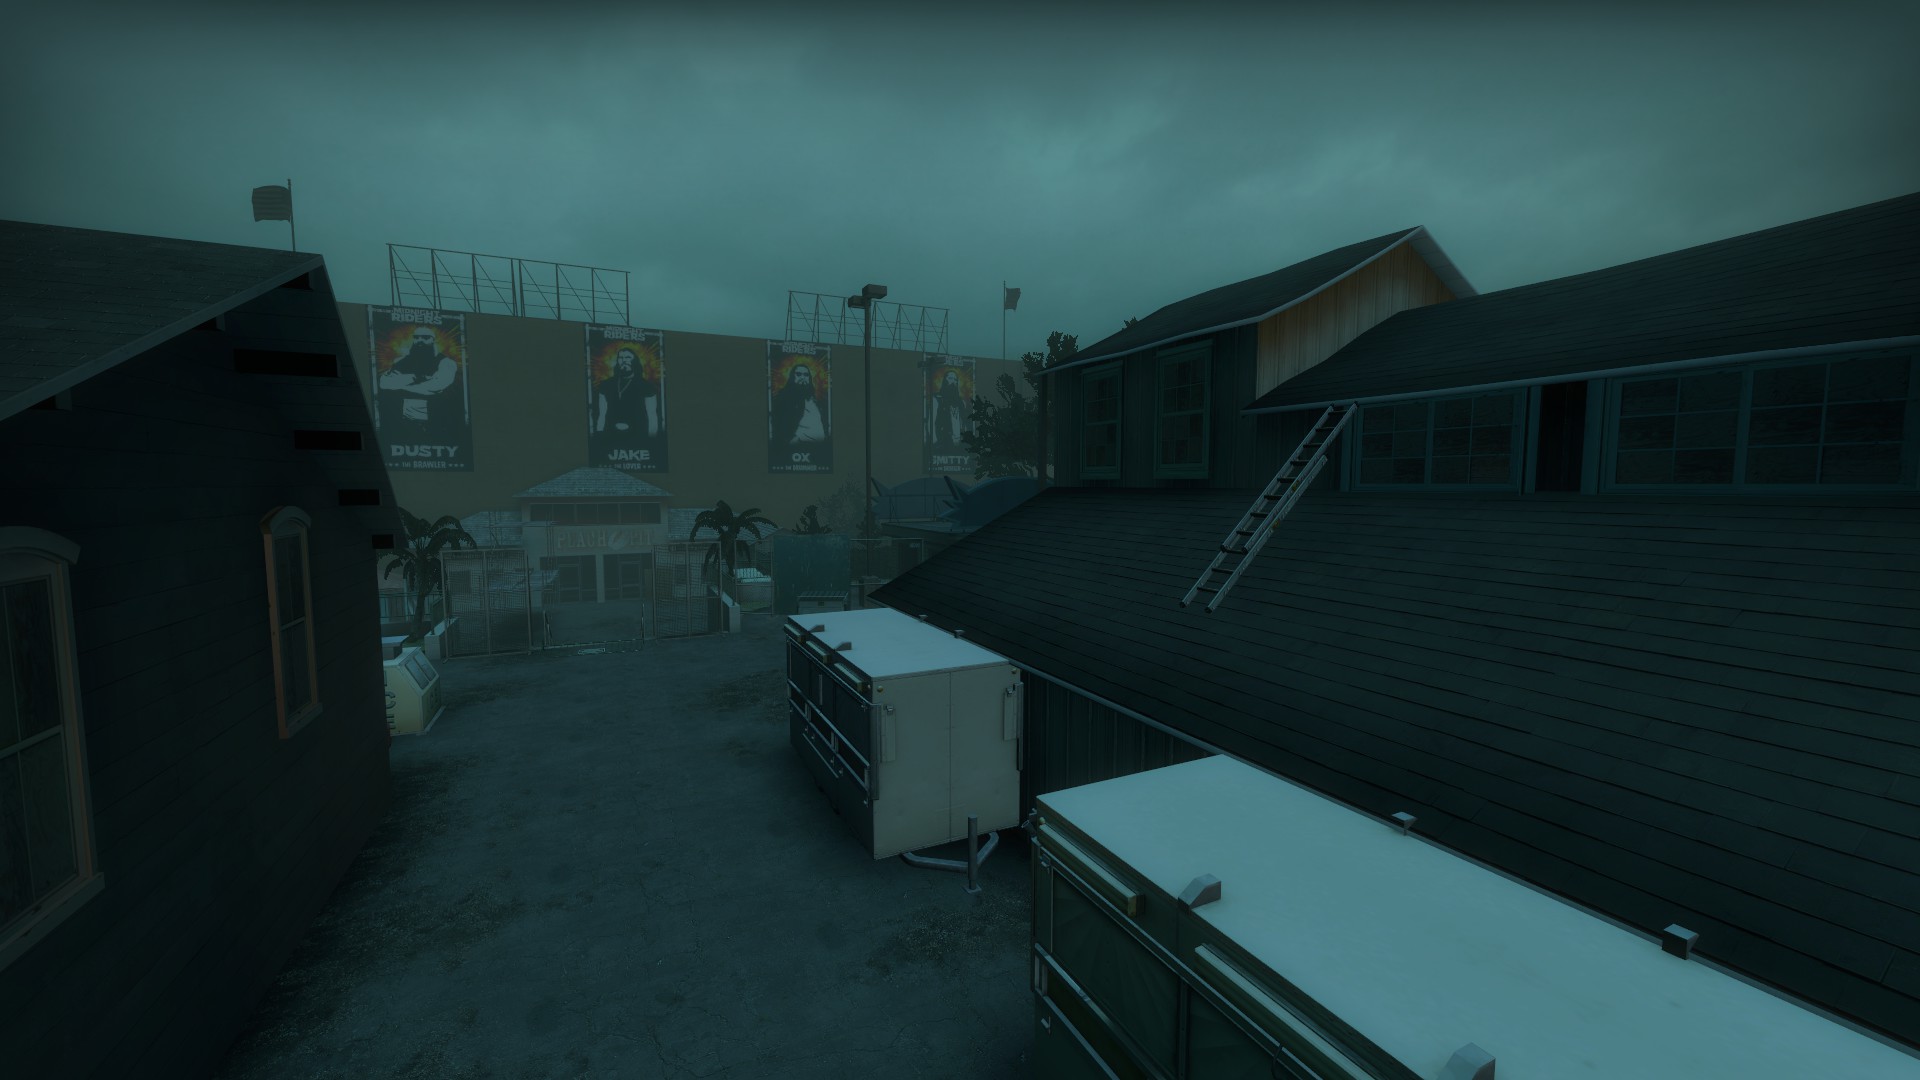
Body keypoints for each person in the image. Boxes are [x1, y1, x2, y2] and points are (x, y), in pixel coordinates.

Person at [376, 326, 463, 447]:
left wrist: (401, 383)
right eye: (416, 337)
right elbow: (384, 383)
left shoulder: (446, 362)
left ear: (433, 340)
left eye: (425, 337)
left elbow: (435, 387)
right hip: (403, 422)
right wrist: (415, 378)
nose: (420, 340)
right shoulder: (401, 361)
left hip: (436, 420)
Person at [593, 347, 663, 458]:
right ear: (617, 361)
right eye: (621, 358)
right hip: (611, 437)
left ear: (635, 361)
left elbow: (652, 415)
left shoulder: (646, 386)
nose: (624, 360)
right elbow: (602, 413)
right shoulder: (606, 385)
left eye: (628, 357)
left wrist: (651, 441)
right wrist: (599, 435)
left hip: (638, 437)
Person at [770, 363, 827, 448]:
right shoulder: (783, 398)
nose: (803, 377)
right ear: (792, 377)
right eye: (798, 374)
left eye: (806, 375)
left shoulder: (816, 401)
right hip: (795, 447)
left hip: (817, 448)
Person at [930, 368, 967, 452]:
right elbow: (932, 423)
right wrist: (936, 442)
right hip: (942, 444)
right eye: (950, 378)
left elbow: (964, 423)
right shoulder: (936, 399)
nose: (953, 381)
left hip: (959, 446)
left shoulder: (961, 402)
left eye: (955, 379)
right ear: (944, 380)